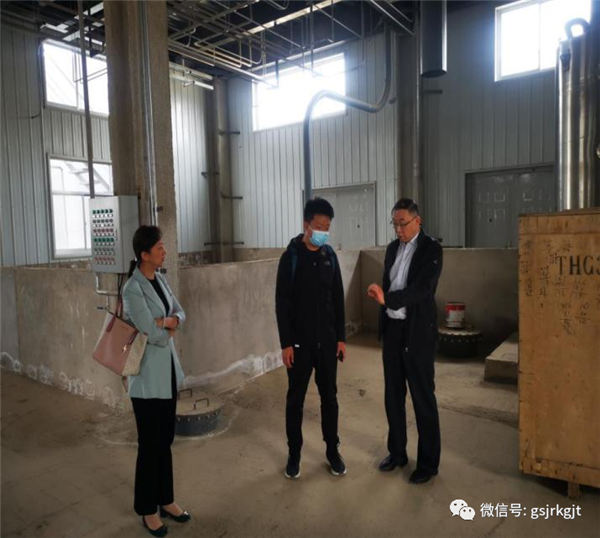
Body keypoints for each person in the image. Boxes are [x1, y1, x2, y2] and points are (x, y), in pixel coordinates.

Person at [367, 199, 443, 484]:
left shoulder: (431, 249)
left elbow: (423, 290)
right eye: (394, 224)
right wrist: (384, 301)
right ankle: (397, 453)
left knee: (423, 398)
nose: (398, 230)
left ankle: (428, 464)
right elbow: (390, 283)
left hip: (417, 333)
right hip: (393, 332)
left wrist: (387, 299)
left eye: (403, 224)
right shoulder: (391, 249)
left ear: (417, 221)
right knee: (393, 396)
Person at [123, 225, 191, 537]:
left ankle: (166, 499)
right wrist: (168, 328)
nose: (165, 251)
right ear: (144, 254)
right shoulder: (132, 288)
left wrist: (169, 321)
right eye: (159, 247)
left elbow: (180, 313)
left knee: (165, 442)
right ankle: (148, 509)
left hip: (167, 375)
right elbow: (150, 333)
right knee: (149, 446)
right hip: (147, 380)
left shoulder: (160, 279)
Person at [275, 197, 347, 479]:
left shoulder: (329, 256)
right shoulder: (291, 258)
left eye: (327, 227)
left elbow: (337, 298)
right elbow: (282, 304)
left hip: (327, 343)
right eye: (319, 226)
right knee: (295, 400)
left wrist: (341, 338)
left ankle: (332, 451)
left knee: (330, 398)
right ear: (306, 224)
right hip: (299, 345)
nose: (323, 232)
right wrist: (285, 343)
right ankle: (294, 454)